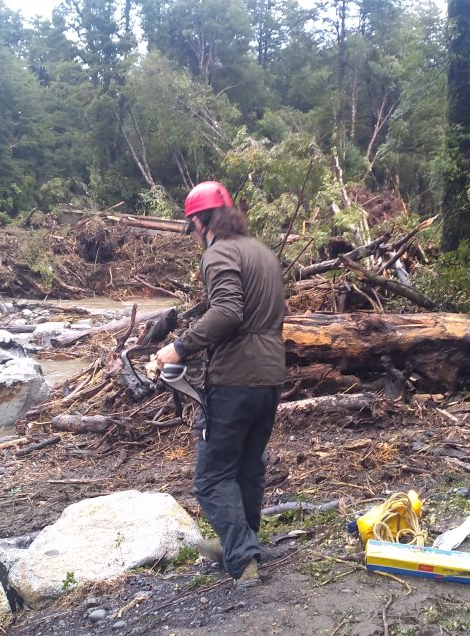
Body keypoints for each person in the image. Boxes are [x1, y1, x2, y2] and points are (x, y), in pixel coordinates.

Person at [155, 181, 286, 588]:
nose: (193, 232)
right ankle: (240, 542)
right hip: (270, 376)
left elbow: (228, 311)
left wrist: (179, 347)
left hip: (234, 379)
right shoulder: (263, 253)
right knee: (248, 466)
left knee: (211, 476)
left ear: (199, 220)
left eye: (191, 224)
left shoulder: (218, 254)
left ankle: (242, 556)